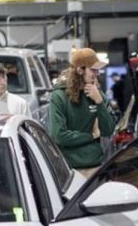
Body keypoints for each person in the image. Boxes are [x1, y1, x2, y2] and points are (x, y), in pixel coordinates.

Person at [49, 48, 117, 177]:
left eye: (98, 70)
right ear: (80, 70)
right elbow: (59, 136)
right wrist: (91, 136)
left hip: (95, 167)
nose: (97, 74)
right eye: (93, 70)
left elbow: (108, 130)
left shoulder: (98, 95)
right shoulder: (59, 97)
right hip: (69, 170)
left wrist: (99, 102)